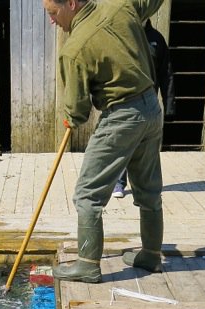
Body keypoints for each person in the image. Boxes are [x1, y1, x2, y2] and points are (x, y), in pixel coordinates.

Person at [43, 0, 166, 282]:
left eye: (52, 12)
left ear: (71, 4)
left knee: (87, 195)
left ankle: (87, 265)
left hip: (121, 118)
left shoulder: (74, 49)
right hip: (151, 108)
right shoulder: (121, 5)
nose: (52, 21)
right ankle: (150, 255)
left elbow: (78, 111)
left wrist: (70, 118)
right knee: (148, 188)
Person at [113, 20, 175, 198]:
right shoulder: (123, 34)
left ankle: (145, 187)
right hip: (124, 102)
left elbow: (166, 73)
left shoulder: (156, 39)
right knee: (124, 143)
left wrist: (169, 105)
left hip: (149, 104)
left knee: (146, 149)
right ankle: (119, 183)